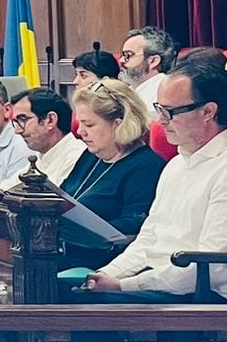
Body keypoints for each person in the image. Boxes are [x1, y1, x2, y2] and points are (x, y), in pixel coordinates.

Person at [83, 61, 227, 303]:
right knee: (61, 291)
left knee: (76, 306)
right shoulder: (177, 163)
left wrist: (124, 285)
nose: (161, 121)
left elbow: (214, 268)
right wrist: (106, 274)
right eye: (159, 109)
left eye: (170, 112)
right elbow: (149, 238)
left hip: (211, 299)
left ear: (208, 111)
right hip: (162, 285)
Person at [60, 78, 164, 242]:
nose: (80, 132)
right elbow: (63, 194)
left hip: (103, 257)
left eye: (89, 124)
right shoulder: (91, 155)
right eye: (79, 123)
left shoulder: (147, 166)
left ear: (119, 123)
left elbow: (133, 225)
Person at [6, 87, 85, 186]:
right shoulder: (40, 157)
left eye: (23, 119)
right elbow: (7, 187)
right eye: (16, 122)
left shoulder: (78, 157)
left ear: (50, 120)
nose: (17, 131)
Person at [119, 26, 176, 109]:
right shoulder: (128, 91)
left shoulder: (166, 92)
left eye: (127, 55)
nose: (121, 60)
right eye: (122, 55)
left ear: (153, 61)